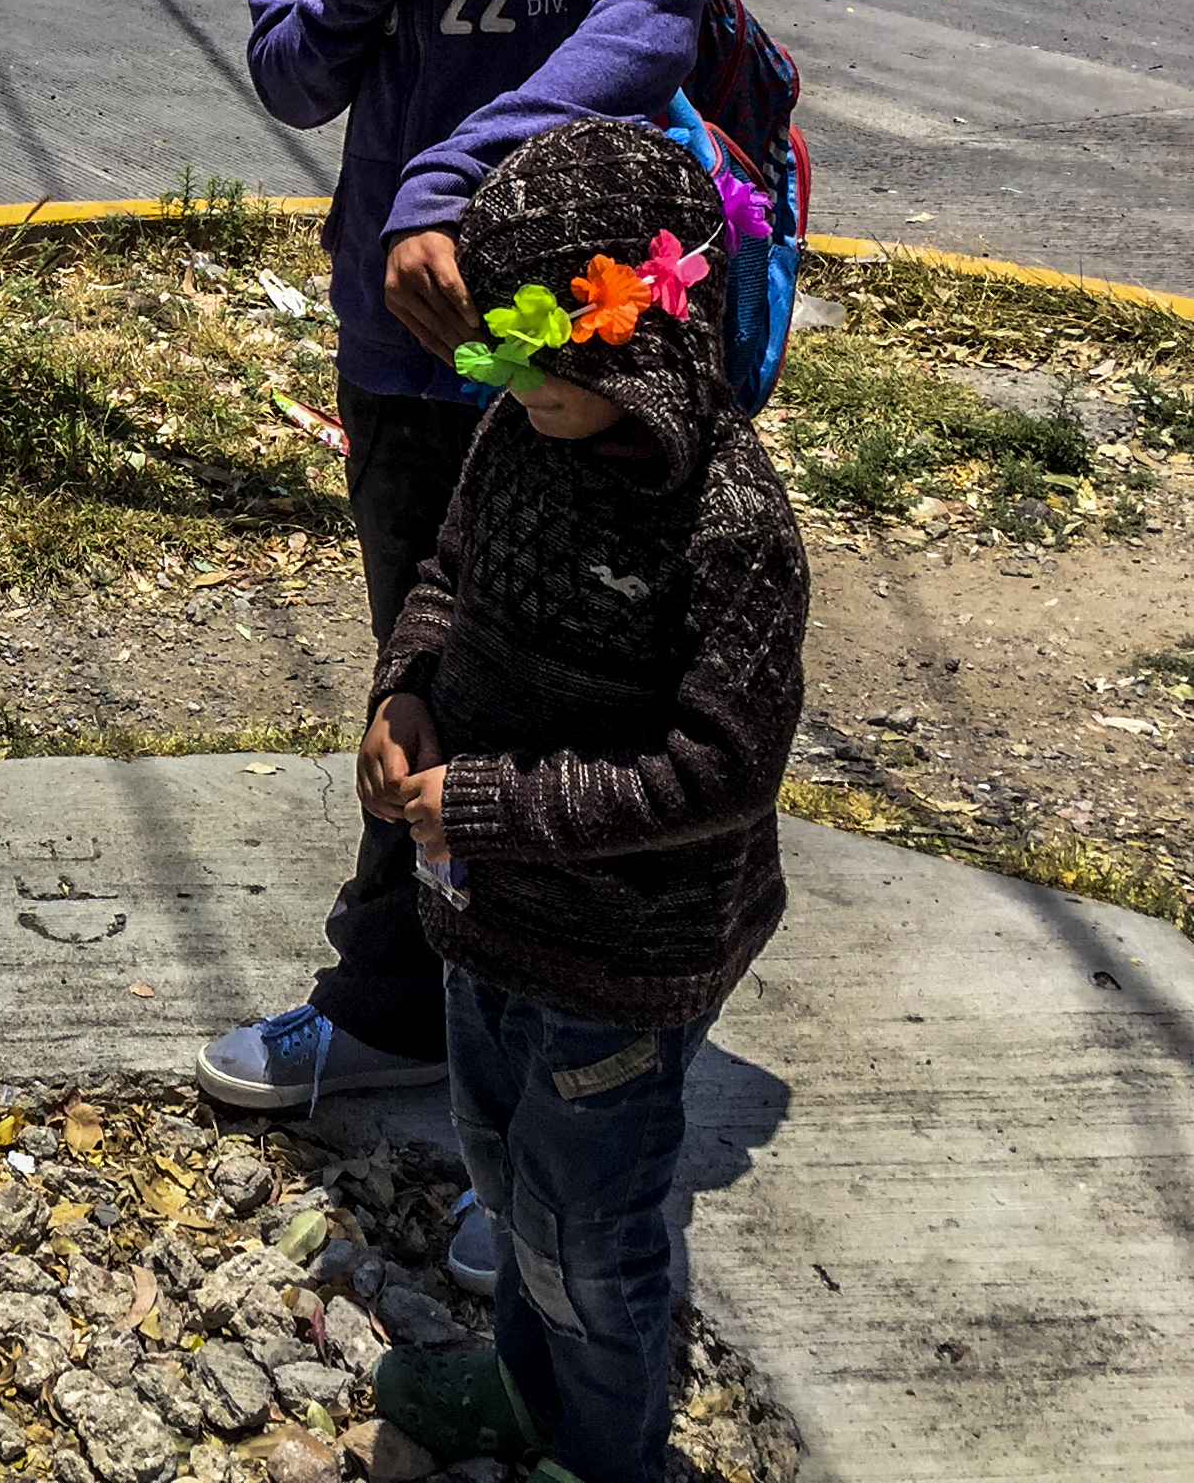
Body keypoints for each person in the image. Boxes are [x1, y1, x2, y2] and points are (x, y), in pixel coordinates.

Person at [201, 0, 722, 1158]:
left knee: (568, 704)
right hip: (397, 353)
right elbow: (286, 72)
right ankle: (394, 1011)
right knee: (415, 685)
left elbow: (651, 17)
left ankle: (556, 1090)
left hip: (583, 354)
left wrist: (446, 175)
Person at [360, 117, 809, 1483]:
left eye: (532, 361)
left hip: (622, 955)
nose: (503, 387)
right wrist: (404, 686)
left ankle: (600, 1453)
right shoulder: (517, 434)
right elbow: (444, 571)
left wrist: (490, 805)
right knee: (500, 1172)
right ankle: (519, 1387)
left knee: (590, 1232)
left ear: (637, 338)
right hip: (486, 918)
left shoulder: (726, 532)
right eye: (485, 356)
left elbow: (719, 769)